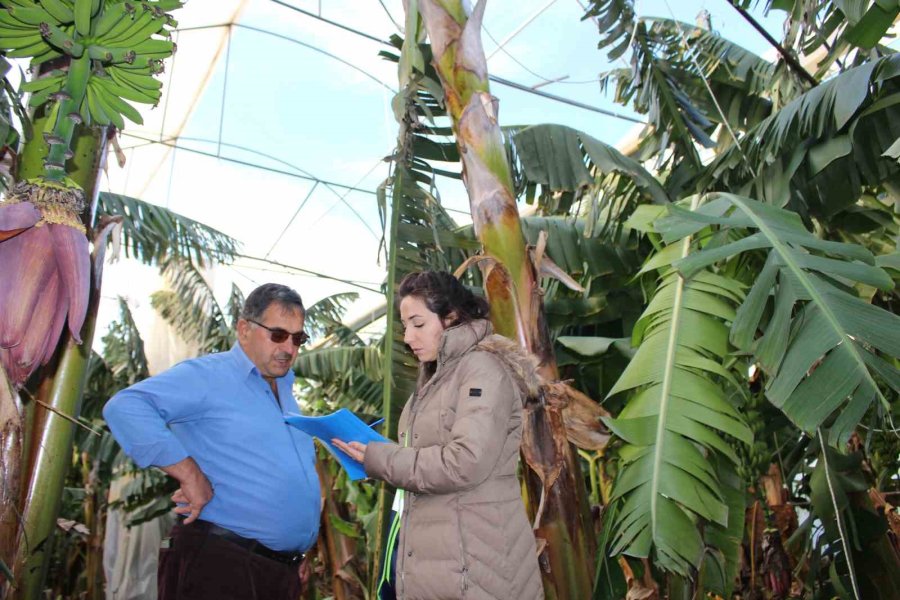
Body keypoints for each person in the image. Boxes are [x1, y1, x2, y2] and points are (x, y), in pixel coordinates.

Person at [333, 271, 544, 600]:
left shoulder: (482, 370)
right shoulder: (436, 378)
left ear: (451, 317)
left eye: (418, 324)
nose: (408, 337)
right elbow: (423, 458)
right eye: (405, 326)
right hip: (442, 560)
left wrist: (381, 458)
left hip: (474, 566)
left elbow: (465, 461)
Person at [103, 283, 321, 600]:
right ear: (244, 329)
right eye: (278, 334)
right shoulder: (209, 376)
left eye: (297, 338)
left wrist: (296, 551)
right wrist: (189, 473)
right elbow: (124, 407)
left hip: (278, 572)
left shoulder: (286, 390)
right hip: (221, 564)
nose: (289, 347)